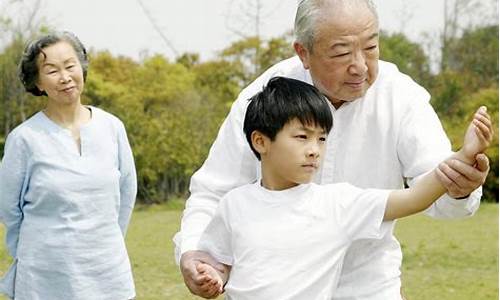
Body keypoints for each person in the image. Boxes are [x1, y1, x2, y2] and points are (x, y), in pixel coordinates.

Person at [174, 0, 490, 298]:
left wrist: (459, 184)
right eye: (340, 53)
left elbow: (433, 190)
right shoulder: (264, 97)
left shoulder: (402, 97)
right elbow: (214, 191)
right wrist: (195, 254)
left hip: (367, 288)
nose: (360, 67)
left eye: (370, 47)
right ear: (304, 52)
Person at [193, 76, 492, 299]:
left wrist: (463, 157)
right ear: (261, 141)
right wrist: (212, 277)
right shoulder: (234, 205)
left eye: (321, 139)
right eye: (302, 137)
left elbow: (415, 197)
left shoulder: (337, 204)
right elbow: (220, 262)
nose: (314, 150)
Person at [0, 31, 137, 300]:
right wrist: (32, 253)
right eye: (51, 70)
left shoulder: (112, 127)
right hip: (43, 277)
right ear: (37, 82)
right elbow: (8, 209)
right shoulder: (24, 139)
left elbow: (126, 193)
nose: (64, 77)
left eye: (70, 66)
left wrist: (103, 242)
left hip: (108, 272)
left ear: (82, 69)